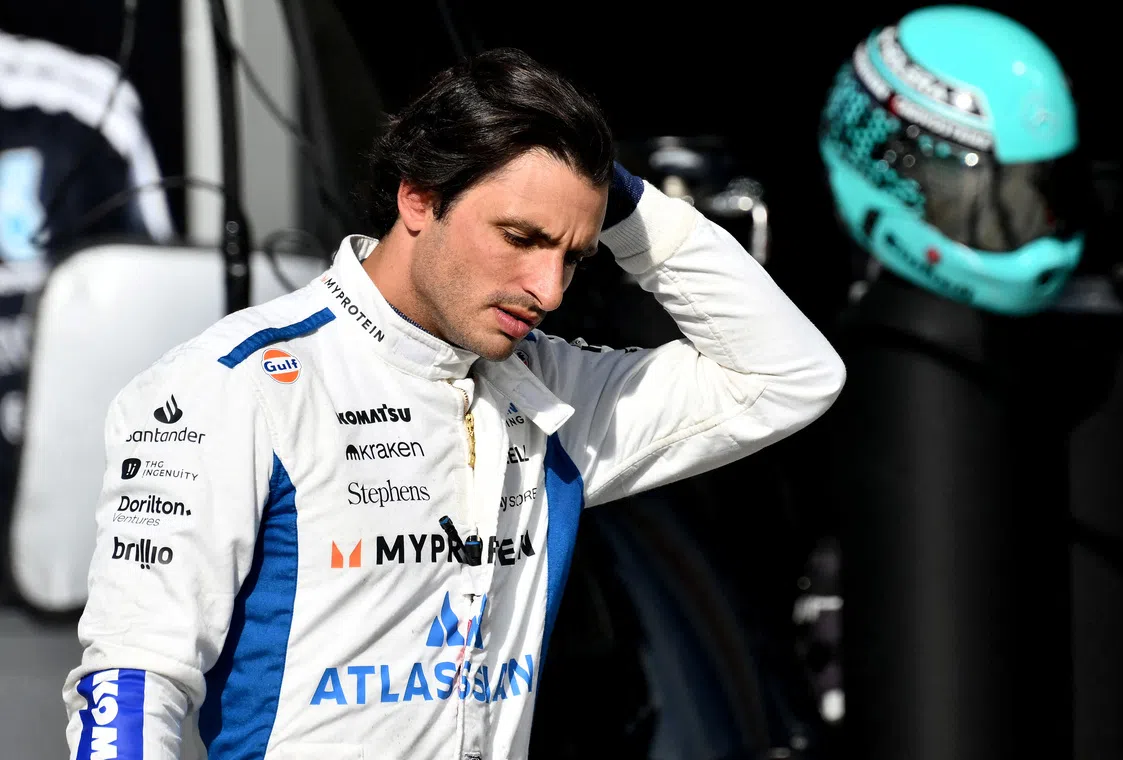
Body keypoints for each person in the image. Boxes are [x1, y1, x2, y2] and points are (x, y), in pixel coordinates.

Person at [63, 47, 845, 760]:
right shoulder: (234, 384)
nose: (548, 290)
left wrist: (622, 203)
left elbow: (792, 376)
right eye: (520, 236)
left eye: (574, 254)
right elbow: (133, 684)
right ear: (418, 196)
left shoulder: (555, 394)